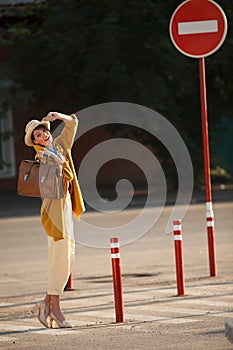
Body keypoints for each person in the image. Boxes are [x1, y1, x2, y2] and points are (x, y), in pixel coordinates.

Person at [24, 111, 85, 328]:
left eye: (43, 132)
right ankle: (56, 310)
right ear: (34, 142)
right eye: (37, 136)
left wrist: (58, 116)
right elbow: (59, 163)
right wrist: (50, 151)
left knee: (68, 257)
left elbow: (73, 123)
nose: (43, 136)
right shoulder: (42, 156)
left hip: (66, 205)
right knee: (60, 258)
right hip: (54, 211)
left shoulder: (59, 145)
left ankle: (45, 305)